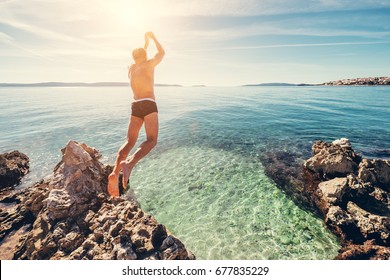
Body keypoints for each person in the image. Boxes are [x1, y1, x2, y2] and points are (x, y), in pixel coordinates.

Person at [108, 32, 165, 197]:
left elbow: (140, 55)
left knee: (129, 141)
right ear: (145, 55)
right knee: (151, 140)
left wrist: (144, 43)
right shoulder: (149, 64)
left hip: (136, 105)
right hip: (148, 102)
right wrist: (153, 38)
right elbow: (161, 53)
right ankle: (130, 164)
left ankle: (115, 171)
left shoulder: (131, 68)